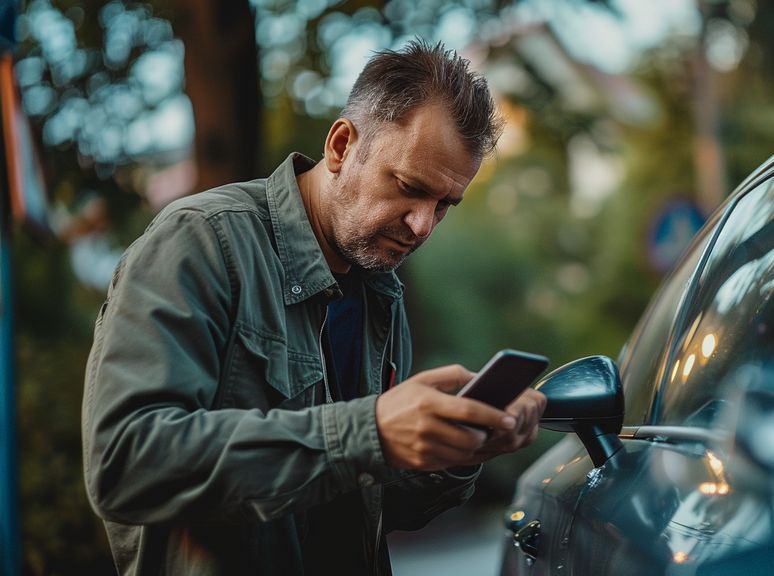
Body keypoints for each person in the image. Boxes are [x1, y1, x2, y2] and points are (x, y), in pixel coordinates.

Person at [81, 39, 547, 575]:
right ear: (342, 145)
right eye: (408, 187)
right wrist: (366, 431)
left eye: (444, 204)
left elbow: (376, 506)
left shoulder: (379, 292)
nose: (422, 225)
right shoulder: (201, 243)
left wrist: (459, 450)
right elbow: (126, 464)